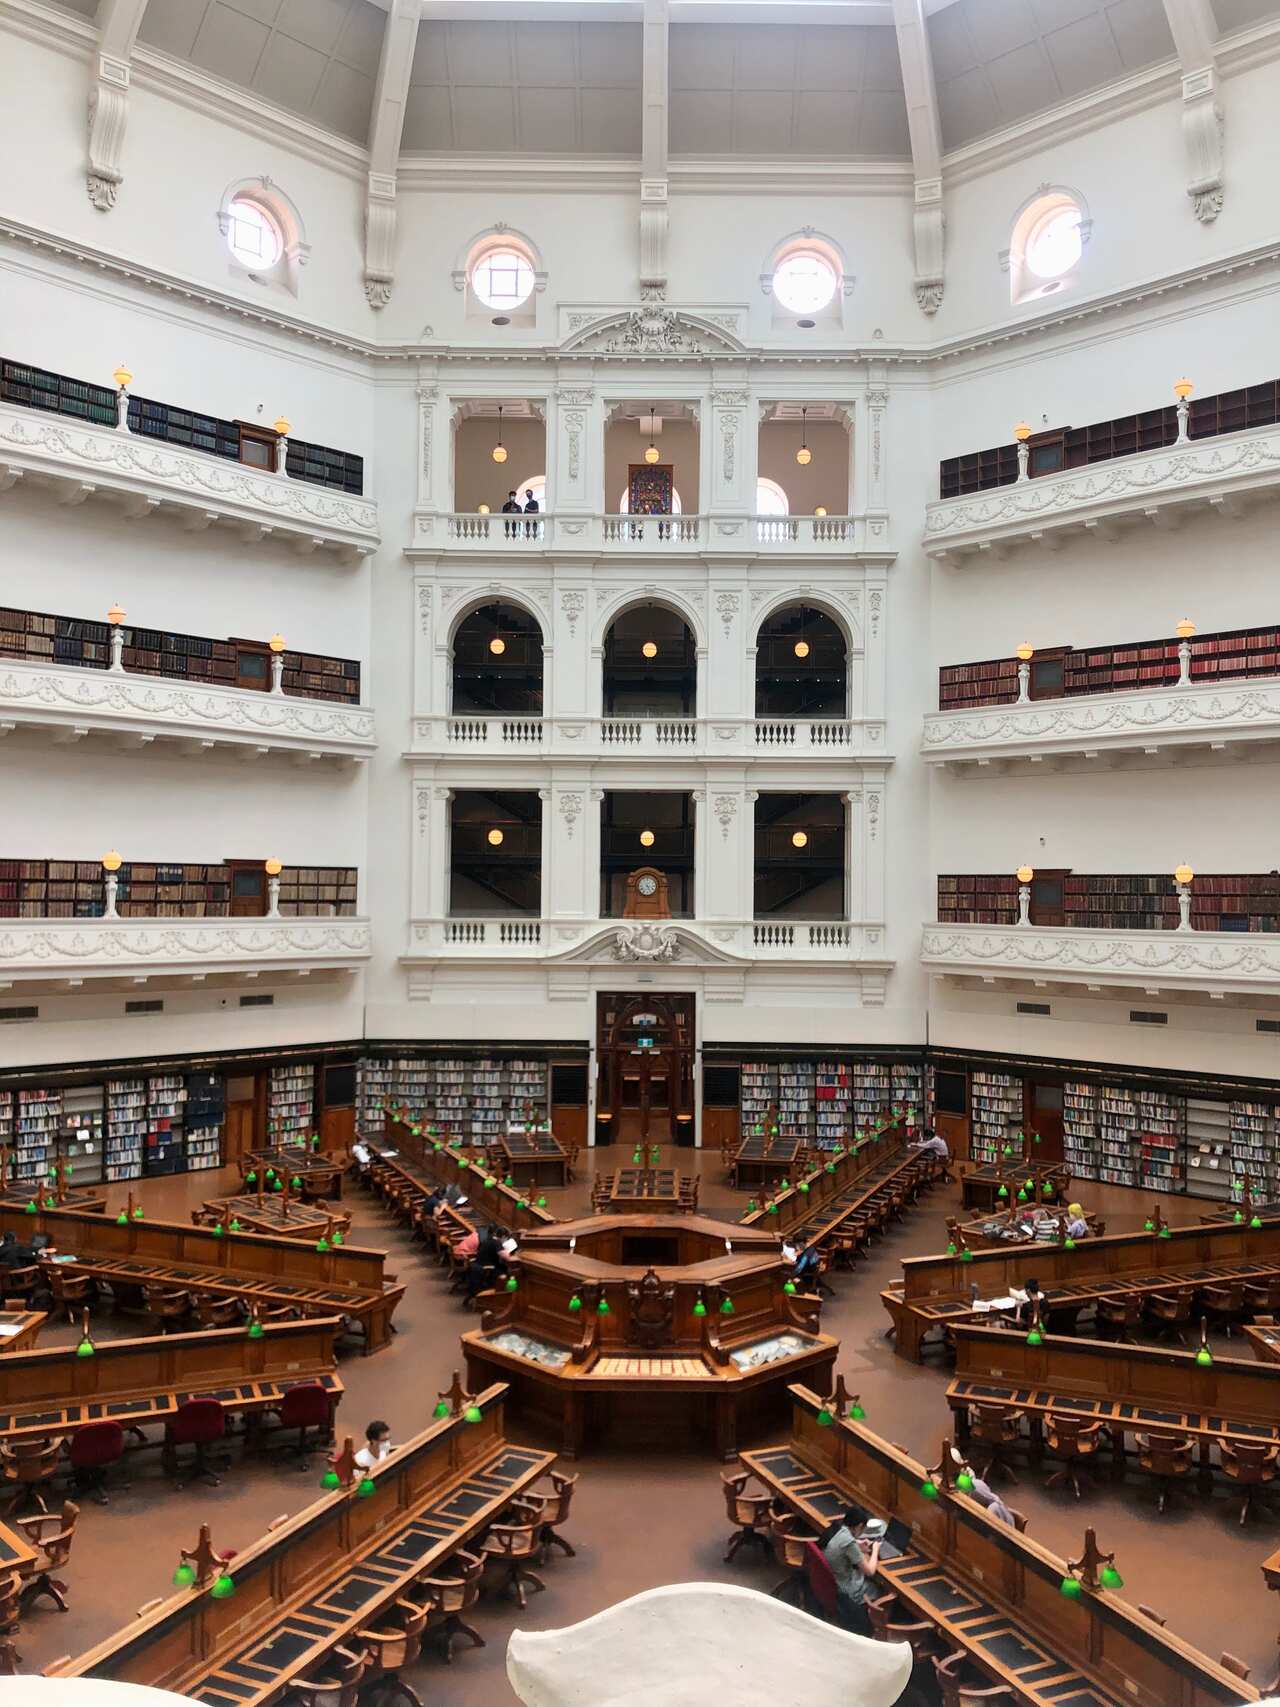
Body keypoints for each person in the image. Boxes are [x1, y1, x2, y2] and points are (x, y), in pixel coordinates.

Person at [823, 1505, 881, 1634]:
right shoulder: (849, 1542)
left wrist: (857, 1544)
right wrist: (875, 1549)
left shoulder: (839, 1529)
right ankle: (874, 1625)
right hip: (846, 1588)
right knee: (878, 1588)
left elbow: (844, 1545)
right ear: (860, 1525)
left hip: (835, 1579)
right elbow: (870, 1571)